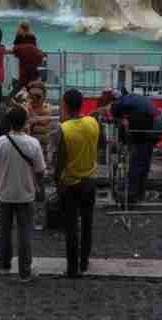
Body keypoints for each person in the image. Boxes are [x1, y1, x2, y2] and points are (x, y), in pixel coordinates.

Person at [0, 105, 45, 283]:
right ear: (25, 122)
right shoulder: (34, 144)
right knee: (25, 233)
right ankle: (25, 271)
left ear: (9, 123)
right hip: (26, 193)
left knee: (4, 231)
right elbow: (40, 170)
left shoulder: (0, 143)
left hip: (4, 193)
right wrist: (39, 187)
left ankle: (4, 263)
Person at [56, 89, 101, 278]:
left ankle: (72, 267)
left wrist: (57, 180)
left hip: (70, 183)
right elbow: (101, 144)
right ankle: (84, 261)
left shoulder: (64, 129)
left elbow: (60, 160)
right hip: (90, 180)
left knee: (71, 226)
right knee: (88, 222)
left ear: (65, 105)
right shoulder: (93, 123)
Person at [101, 89, 162, 205]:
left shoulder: (118, 104)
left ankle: (130, 197)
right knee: (143, 162)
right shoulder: (131, 98)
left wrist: (122, 141)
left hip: (148, 127)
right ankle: (139, 194)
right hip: (156, 125)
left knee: (137, 163)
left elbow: (119, 121)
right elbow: (126, 122)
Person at [11, 22, 45, 90]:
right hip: (31, 65)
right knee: (29, 83)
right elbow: (35, 49)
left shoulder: (19, 36)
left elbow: (15, 49)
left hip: (21, 63)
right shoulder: (32, 37)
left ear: (21, 28)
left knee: (20, 82)